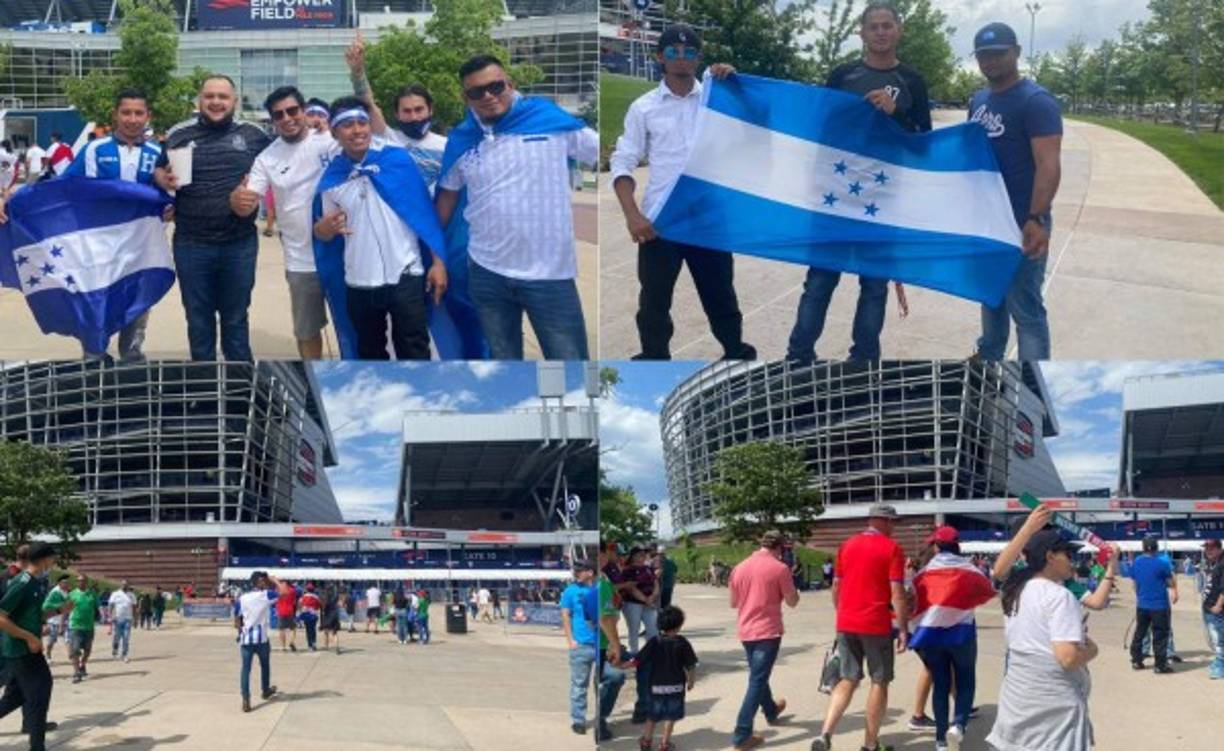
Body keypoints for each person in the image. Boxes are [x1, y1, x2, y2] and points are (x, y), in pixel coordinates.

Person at [786, 1, 931, 363]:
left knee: (874, 285)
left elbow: (924, 143)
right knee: (820, 280)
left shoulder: (912, 81)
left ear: (899, 30)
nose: (881, 32)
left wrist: (896, 113)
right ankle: (799, 356)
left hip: (884, 199)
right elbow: (821, 130)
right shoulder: (842, 76)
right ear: (862, 33)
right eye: (873, 26)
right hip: (835, 196)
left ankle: (864, 359)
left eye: (887, 25)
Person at [435, 55, 598, 360]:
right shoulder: (462, 139)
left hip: (549, 274)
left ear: (510, 84)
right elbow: (446, 197)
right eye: (477, 92)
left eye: (496, 87)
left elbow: (601, 152)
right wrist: (434, 255)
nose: (488, 96)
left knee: (570, 365)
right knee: (505, 364)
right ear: (465, 98)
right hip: (487, 272)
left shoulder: (549, 121)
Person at [608, 25, 755, 361]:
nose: (681, 58)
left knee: (721, 298)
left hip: (708, 219)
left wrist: (738, 88)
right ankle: (654, 360)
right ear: (660, 57)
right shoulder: (644, 107)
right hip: (662, 220)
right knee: (654, 302)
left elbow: (754, 132)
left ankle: (736, 357)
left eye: (689, 52)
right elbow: (623, 160)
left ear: (698, 58)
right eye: (673, 51)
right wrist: (632, 215)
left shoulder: (717, 101)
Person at [312, 97, 448, 359]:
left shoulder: (397, 161)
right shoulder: (332, 177)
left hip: (406, 273)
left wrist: (438, 263)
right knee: (370, 354)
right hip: (359, 280)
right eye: (347, 125)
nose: (357, 130)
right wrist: (324, 228)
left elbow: (424, 216)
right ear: (335, 133)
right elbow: (323, 233)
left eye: (362, 122)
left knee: (414, 351)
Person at [154, 74, 273, 360]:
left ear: (235, 101)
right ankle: (204, 378)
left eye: (223, 96)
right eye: (209, 96)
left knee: (236, 318)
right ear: (199, 100)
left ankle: (239, 379)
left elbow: (281, 163)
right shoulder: (179, 133)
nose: (216, 102)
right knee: (198, 320)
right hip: (191, 244)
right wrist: (162, 179)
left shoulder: (254, 135)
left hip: (239, 243)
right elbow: (159, 168)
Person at [968, 22, 1062, 360]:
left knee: (1025, 308)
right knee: (991, 295)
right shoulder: (979, 100)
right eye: (983, 55)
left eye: (999, 53)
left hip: (1023, 219)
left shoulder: (1036, 101)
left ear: (1017, 52)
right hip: (987, 221)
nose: (990, 61)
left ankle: (1031, 375)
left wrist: (1036, 218)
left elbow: (1048, 164)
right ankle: (990, 356)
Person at [230, 85, 336, 360]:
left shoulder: (330, 139)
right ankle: (312, 378)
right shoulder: (266, 159)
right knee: (307, 331)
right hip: (301, 260)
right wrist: (239, 200)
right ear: (273, 120)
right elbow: (247, 202)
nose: (287, 118)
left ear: (304, 110)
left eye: (292, 111)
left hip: (344, 253)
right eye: (279, 115)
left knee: (356, 328)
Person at [986, 530, 1096, 751]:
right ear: (1050, 557)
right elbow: (1067, 658)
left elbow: (999, 571)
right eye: (1067, 555)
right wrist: (1092, 649)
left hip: (1018, 694)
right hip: (1053, 707)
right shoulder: (1059, 595)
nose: (1072, 561)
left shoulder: (1016, 590)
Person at [812, 504, 908, 751]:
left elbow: (836, 586)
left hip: (846, 623)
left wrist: (842, 613)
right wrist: (903, 628)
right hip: (876, 623)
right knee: (879, 681)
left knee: (848, 678)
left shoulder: (846, 545)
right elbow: (897, 592)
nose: (894, 528)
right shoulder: (892, 548)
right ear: (885, 521)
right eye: (893, 523)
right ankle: (870, 744)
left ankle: (825, 734)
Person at [909, 527, 995, 751]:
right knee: (966, 682)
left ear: (937, 547)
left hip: (932, 637)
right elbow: (988, 591)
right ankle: (958, 725)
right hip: (962, 634)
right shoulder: (970, 570)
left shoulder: (923, 574)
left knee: (940, 685)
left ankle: (940, 740)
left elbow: (913, 604)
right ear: (958, 546)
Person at [346, 34, 447, 189]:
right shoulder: (388, 139)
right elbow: (368, 104)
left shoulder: (446, 146)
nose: (414, 117)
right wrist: (358, 73)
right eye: (406, 111)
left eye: (419, 109)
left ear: (431, 109)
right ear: (397, 114)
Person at [727, 530, 798, 751]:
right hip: (768, 631)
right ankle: (742, 735)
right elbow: (793, 601)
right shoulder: (780, 568)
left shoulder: (739, 567)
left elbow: (733, 602)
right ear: (780, 548)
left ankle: (770, 710)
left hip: (746, 630)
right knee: (757, 680)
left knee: (759, 675)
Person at [0, 543, 71, 751]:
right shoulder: (22, 583)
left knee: (16, 696)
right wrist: (29, 637)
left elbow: (34, 614)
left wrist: (60, 610)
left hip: (27, 649)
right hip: (21, 650)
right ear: (43, 559)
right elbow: (1, 617)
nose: (54, 562)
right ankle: (37, 746)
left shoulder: (36, 583)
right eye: (52, 558)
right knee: (40, 691)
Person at [636, 605, 697, 751]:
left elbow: (639, 659)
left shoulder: (654, 641)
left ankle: (646, 742)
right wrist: (691, 680)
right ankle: (664, 744)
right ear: (679, 625)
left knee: (652, 716)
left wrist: (623, 664)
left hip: (656, 687)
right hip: (676, 687)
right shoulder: (682, 642)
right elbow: (691, 665)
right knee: (670, 716)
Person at [560, 561, 599, 735]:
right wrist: (571, 640)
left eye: (580, 570)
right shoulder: (570, 591)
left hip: (599, 644)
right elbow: (565, 615)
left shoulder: (600, 589)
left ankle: (600, 719)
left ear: (590, 572)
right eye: (575, 570)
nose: (576, 573)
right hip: (581, 644)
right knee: (579, 685)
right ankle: (578, 720)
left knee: (601, 684)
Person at [1128, 535, 1177, 673]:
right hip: (1159, 605)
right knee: (1160, 635)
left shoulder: (1137, 562)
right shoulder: (1162, 563)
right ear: (1156, 548)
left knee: (1140, 632)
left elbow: (1135, 585)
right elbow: (1170, 583)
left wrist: (1141, 596)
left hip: (1143, 604)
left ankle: (1136, 660)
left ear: (1143, 548)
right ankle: (1160, 665)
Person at [234, 571, 279, 713]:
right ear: (260, 582)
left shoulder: (242, 598)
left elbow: (237, 620)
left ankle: (245, 699)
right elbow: (284, 592)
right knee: (265, 666)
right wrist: (275, 580)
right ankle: (265, 690)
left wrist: (240, 632)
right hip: (261, 640)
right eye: (263, 580)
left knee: (245, 669)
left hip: (246, 640)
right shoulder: (266, 595)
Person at [596, 545, 626, 743]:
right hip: (597, 645)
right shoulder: (598, 583)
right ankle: (600, 720)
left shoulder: (605, 579)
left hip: (604, 642)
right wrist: (616, 646)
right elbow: (605, 618)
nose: (604, 557)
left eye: (604, 553)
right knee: (615, 676)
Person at [620, 547, 660, 655]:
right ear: (633, 557)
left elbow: (655, 583)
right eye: (639, 555)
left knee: (653, 628)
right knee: (634, 628)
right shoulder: (628, 570)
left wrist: (653, 596)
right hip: (633, 603)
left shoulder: (648, 568)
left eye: (643, 555)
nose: (642, 557)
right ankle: (634, 652)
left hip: (649, 602)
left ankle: (653, 651)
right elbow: (631, 588)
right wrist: (645, 599)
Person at [67, 575, 100, 684]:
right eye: (79, 581)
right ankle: (76, 673)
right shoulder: (72, 594)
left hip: (89, 626)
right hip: (76, 626)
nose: (81, 583)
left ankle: (82, 665)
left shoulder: (92, 594)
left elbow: (97, 608)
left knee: (87, 650)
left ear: (87, 582)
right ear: (77, 582)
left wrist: (97, 617)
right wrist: (62, 624)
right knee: (75, 649)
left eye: (83, 581)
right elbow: (66, 609)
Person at [1200, 539, 1224, 679]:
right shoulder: (1212, 563)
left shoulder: (1222, 563)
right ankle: (1219, 660)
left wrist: (1218, 605)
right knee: (1213, 638)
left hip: (1217, 610)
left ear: (1219, 548)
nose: (1208, 551)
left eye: (1211, 548)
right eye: (1206, 548)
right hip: (1208, 607)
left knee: (1219, 639)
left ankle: (1221, 665)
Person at [40, 576, 71, 666]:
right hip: (53, 621)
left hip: (64, 621)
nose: (67, 584)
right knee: (51, 641)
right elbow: (46, 605)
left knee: (68, 639)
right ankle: (48, 655)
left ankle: (72, 657)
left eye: (67, 582)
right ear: (60, 583)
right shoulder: (55, 592)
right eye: (65, 583)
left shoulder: (65, 592)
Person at [108, 582, 136, 664]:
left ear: (128, 586)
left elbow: (134, 607)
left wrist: (135, 619)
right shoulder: (115, 594)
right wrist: (110, 616)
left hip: (128, 619)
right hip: (117, 619)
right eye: (123, 584)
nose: (124, 586)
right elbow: (111, 605)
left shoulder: (132, 595)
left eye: (126, 585)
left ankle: (124, 654)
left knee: (126, 637)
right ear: (121, 585)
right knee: (117, 637)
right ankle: (115, 648)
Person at [274, 579, 298, 653]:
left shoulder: (278, 590)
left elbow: (275, 600)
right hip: (289, 611)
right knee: (293, 628)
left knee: (281, 629)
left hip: (281, 611)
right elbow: (294, 601)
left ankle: (283, 646)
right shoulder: (292, 590)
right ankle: (291, 641)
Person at [298, 583, 321, 652]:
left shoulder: (303, 597)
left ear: (307, 589)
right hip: (314, 615)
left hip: (306, 615)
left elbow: (300, 604)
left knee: (308, 630)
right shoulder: (316, 597)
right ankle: (314, 643)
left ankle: (310, 646)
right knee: (313, 629)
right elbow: (319, 606)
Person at [320, 586, 342, 654]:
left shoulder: (324, 597)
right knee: (334, 633)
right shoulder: (336, 596)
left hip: (327, 617)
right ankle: (337, 647)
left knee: (326, 632)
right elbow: (340, 604)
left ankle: (326, 646)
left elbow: (323, 608)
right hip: (334, 616)